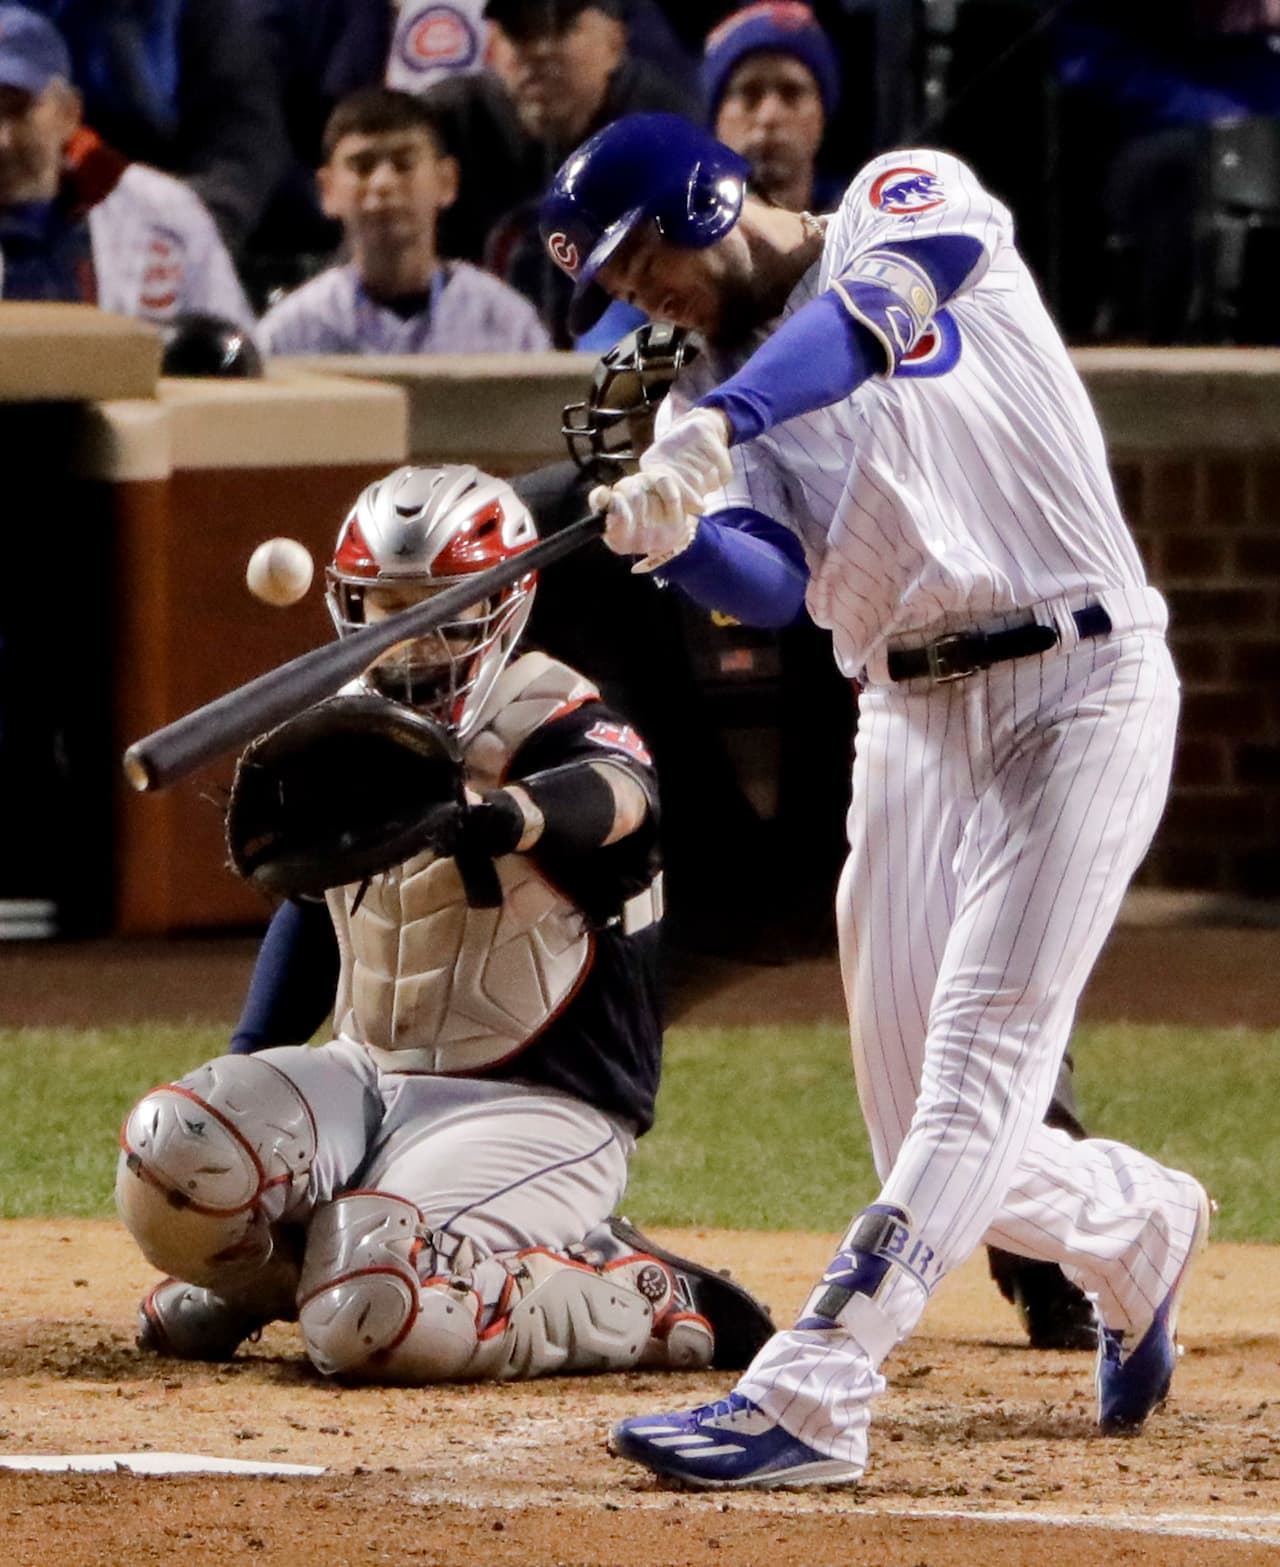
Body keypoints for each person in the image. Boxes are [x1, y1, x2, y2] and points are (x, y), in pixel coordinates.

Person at [540, 113, 1212, 1486]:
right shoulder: (690, 410)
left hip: (1081, 681)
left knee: (980, 1056)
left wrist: (716, 431)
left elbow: (862, 321)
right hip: (906, 719)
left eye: (644, 253)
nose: (638, 290)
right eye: (612, 281)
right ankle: (1134, 1217)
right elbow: (778, 585)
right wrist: (677, 539)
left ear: (708, 193)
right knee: (934, 1121)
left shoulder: (904, 199)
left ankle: (815, 1387)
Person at [115, 461, 774, 1386]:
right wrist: (250, 1067)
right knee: (177, 1146)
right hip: (365, 1076)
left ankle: (644, 1296)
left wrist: (500, 815)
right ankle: (283, 1279)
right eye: (384, 606)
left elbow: (619, 798)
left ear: (503, 604)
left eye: (436, 608)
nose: (407, 639)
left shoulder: (559, 718)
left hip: (540, 1106)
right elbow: (310, 912)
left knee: (369, 1316)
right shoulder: (347, 727)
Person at [421, 0, 697, 342]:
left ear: (615, 43)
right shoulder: (447, 124)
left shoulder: (665, 128)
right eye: (517, 33)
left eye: (560, 29)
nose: (538, 50)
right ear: (493, 49)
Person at [0, 6, 253, 329]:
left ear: (68, 114)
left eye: (19, 112)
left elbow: (236, 349)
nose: (3, 140)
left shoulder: (162, 215)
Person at [258, 88, 550, 356]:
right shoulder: (290, 332)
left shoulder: (507, 323)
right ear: (328, 190)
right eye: (363, 166)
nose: (383, 183)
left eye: (404, 164)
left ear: (446, 181)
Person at [21, 0, 288, 255]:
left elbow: (238, 154)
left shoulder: (219, 16)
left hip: (183, 220)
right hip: (47, 219)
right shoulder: (26, 14)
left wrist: (173, 240)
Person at [703, 0, 843, 216]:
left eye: (792, 92)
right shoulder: (674, 240)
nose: (769, 117)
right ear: (717, 115)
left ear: (822, 112)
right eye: (749, 93)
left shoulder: (863, 236)